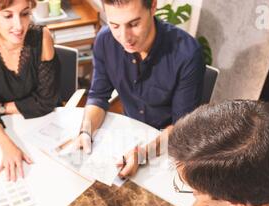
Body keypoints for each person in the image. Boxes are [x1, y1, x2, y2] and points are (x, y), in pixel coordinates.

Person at [71, 0, 205, 179]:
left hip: (169, 145)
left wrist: (142, 154)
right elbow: (98, 95)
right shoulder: (105, 41)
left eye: (134, 24)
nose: (124, 37)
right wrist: (85, 131)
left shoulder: (187, 53)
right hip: (129, 134)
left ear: (153, 7)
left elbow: (182, 127)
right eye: (115, 25)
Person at [0, 0, 60, 181]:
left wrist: (0, 108)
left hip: (44, 124)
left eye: (24, 14)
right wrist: (8, 146)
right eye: (8, 16)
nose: (19, 26)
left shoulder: (42, 36)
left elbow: (47, 101)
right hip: (6, 129)